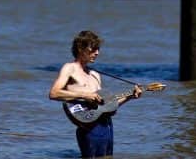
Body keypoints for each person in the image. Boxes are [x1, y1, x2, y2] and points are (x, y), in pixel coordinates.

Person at [48, 30, 142, 159]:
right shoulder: (70, 68)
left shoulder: (95, 75)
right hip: (89, 128)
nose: (97, 53)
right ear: (81, 48)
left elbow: (106, 107)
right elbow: (54, 93)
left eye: (98, 49)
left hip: (107, 126)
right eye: (93, 49)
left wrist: (130, 96)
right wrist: (86, 95)